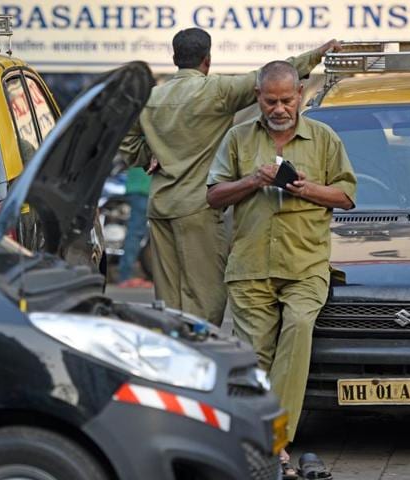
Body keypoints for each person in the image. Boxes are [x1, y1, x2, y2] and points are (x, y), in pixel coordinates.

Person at [120, 27, 340, 326]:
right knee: (206, 301)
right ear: (207, 60)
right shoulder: (217, 92)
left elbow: (126, 143)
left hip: (159, 207)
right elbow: (269, 75)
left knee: (169, 303)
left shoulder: (151, 99)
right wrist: (317, 54)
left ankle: (176, 364)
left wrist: (150, 155)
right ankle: (202, 363)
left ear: (175, 58)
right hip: (199, 208)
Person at [205, 61, 356, 478]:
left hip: (305, 264)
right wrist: (254, 180)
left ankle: (276, 442)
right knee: (254, 356)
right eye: (270, 100)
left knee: (298, 329)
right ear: (257, 97)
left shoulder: (323, 138)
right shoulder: (237, 138)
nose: (279, 108)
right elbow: (214, 196)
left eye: (286, 100)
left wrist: (304, 188)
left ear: (300, 96)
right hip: (250, 266)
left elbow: (345, 196)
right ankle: (261, 444)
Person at [117, 167, 152, 288]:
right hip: (145, 188)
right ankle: (125, 277)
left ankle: (126, 276)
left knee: (136, 232)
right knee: (136, 233)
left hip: (136, 186)